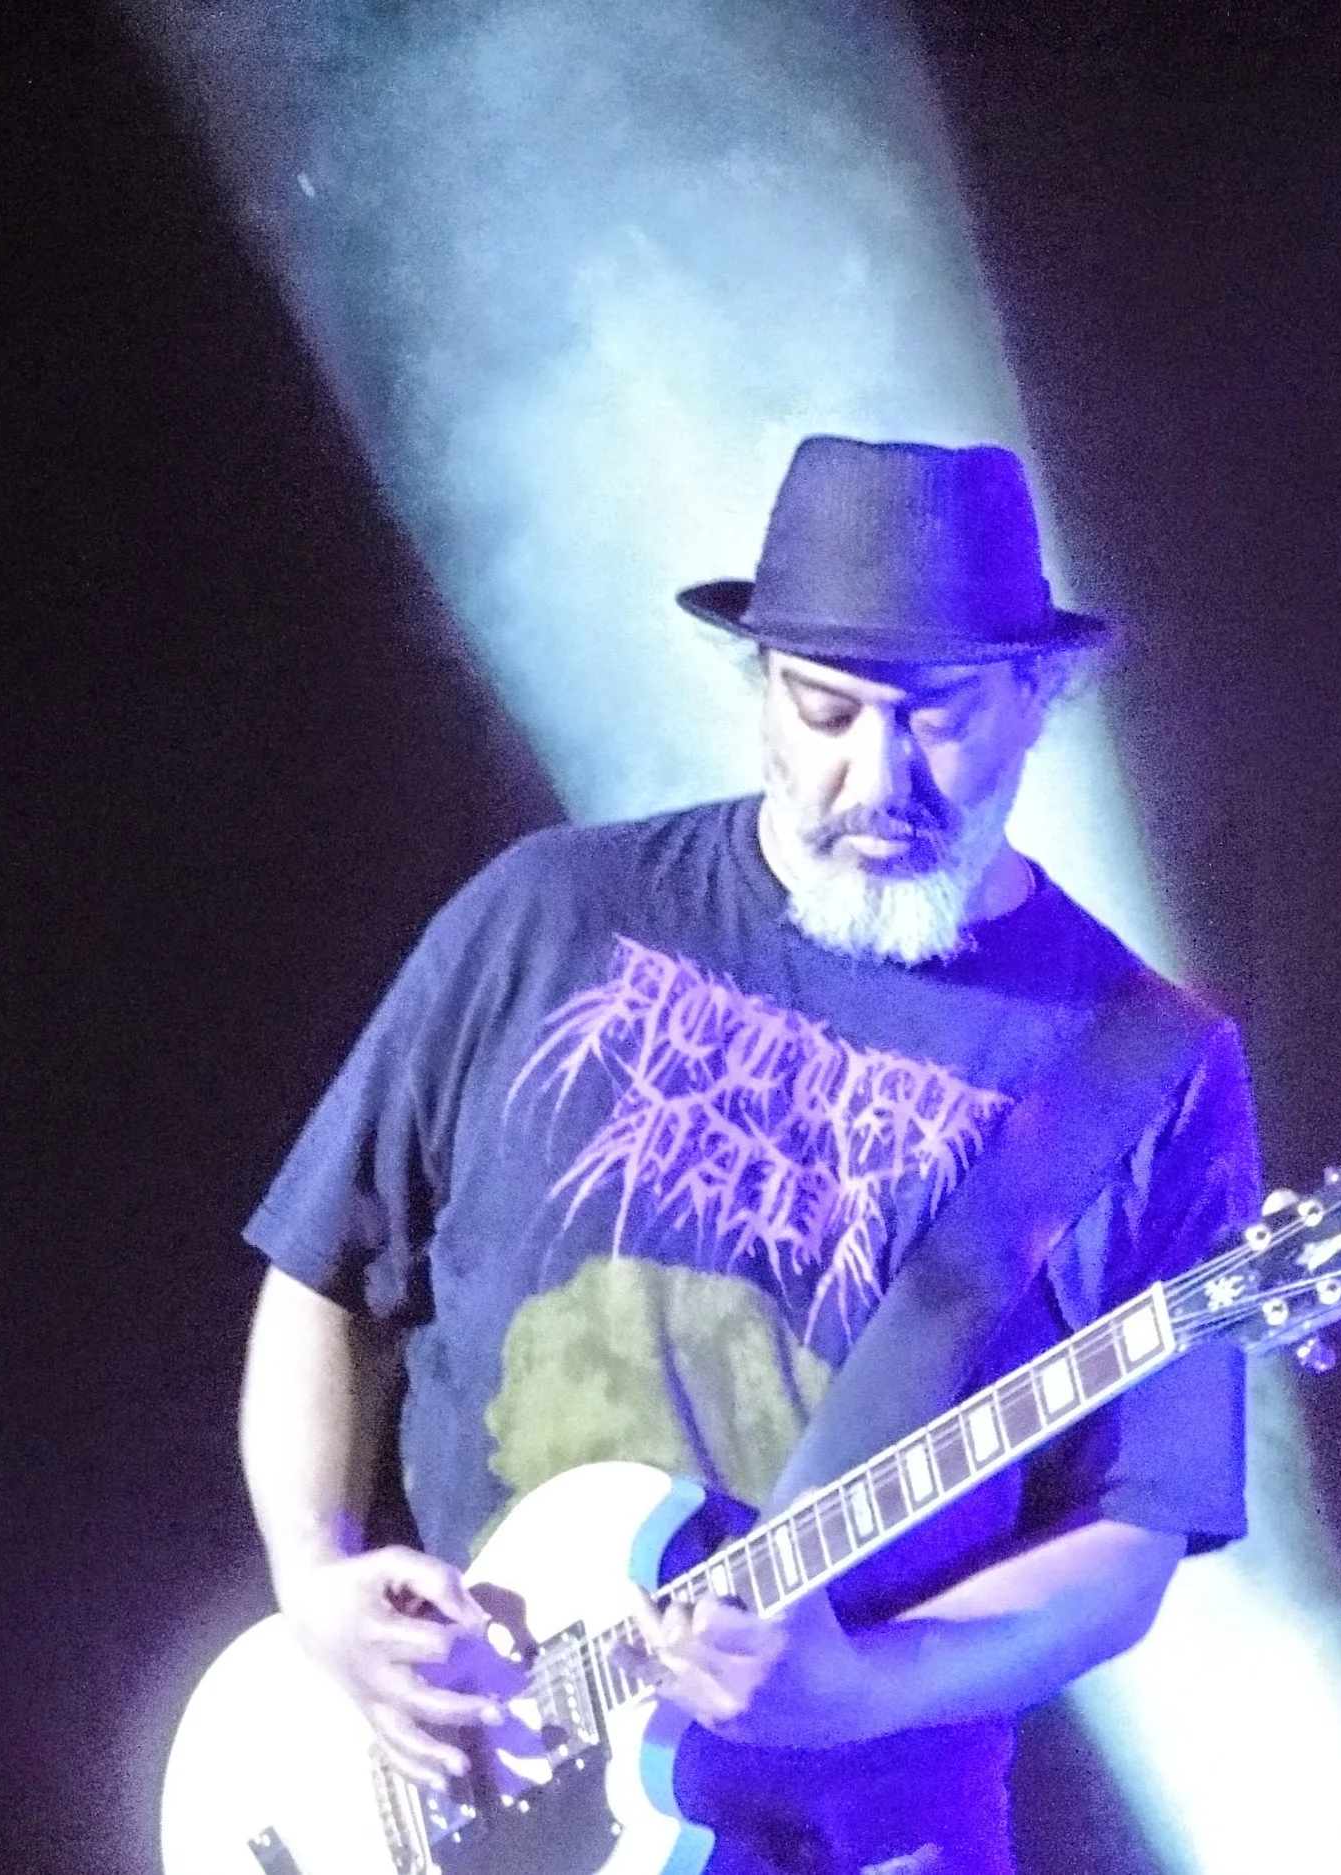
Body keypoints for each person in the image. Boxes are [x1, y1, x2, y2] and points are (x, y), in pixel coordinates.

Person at [237, 435, 1261, 1875]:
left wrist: (867, 1687)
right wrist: (314, 1573)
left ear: (1039, 695)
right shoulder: (548, 913)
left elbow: (1134, 1530)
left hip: (859, 1840)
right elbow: (325, 1275)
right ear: (761, 687)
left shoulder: (1139, 1071)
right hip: (448, 1794)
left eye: (941, 716)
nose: (877, 774)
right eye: (824, 709)